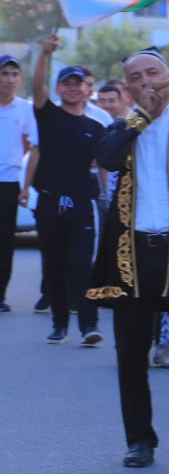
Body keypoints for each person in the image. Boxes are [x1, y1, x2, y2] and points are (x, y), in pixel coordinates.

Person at [87, 47, 169, 472]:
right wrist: (140, 118)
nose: (148, 81)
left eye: (154, 73)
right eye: (138, 76)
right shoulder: (121, 126)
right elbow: (106, 158)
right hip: (131, 253)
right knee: (130, 352)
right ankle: (140, 441)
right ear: (129, 86)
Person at [30, 35, 105, 345]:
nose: (73, 88)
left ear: (87, 89)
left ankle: (89, 325)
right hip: (48, 203)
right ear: (60, 88)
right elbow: (36, 88)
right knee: (55, 265)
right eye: (67, 83)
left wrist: (106, 194)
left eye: (79, 83)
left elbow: (103, 164)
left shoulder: (97, 127)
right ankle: (59, 323)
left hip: (82, 204)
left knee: (80, 264)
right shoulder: (48, 115)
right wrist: (44, 55)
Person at [0, 54, 36, 313]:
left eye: (14, 74)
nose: (10, 80)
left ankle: (0, 294)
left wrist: (25, 186)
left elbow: (31, 145)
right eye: (5, 74)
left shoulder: (25, 108)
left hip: (8, 182)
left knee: (4, 242)